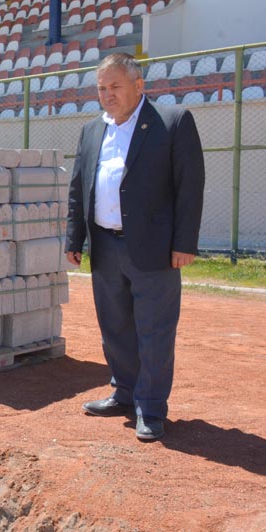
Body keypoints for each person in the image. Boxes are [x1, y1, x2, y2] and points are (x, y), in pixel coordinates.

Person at [65, 53, 205, 442]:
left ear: (139, 85)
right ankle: (124, 393)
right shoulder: (92, 130)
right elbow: (80, 188)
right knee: (115, 329)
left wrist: (184, 243)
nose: (107, 95)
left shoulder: (172, 123)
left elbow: (189, 188)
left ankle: (152, 408)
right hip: (105, 247)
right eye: (101, 88)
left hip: (155, 250)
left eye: (115, 86)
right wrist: (74, 239)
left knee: (155, 331)